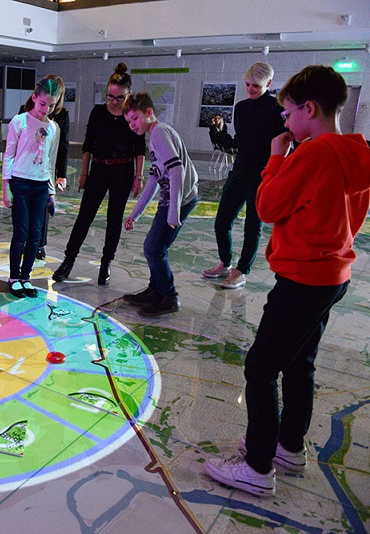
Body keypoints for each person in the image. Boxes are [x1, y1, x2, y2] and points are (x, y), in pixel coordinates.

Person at [205, 65, 370, 498]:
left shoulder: (313, 154)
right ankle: (289, 446)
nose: (285, 121)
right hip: (333, 274)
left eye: (288, 112)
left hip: (302, 278)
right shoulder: (358, 150)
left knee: (261, 367)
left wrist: (276, 158)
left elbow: (267, 207)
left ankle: (258, 467)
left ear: (309, 109)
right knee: (300, 362)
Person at [52, 63, 146, 285]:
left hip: (123, 172)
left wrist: (139, 177)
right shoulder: (98, 113)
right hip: (99, 169)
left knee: (114, 219)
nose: (114, 101)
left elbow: (140, 149)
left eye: (119, 97)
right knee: (85, 216)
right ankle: (68, 260)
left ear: (129, 94)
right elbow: (88, 145)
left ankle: (106, 263)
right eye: (110, 96)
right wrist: (84, 173)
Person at [202, 62, 286, 289]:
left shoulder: (277, 109)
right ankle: (225, 263)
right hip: (239, 170)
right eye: (247, 84)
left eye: (255, 86)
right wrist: (218, 131)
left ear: (268, 83)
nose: (250, 89)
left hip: (262, 174)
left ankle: (241, 271)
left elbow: (284, 143)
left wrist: (275, 174)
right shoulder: (241, 107)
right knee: (221, 222)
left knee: (252, 226)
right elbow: (238, 142)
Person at [121, 93, 198, 317]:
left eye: (134, 118)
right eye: (129, 121)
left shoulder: (160, 133)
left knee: (154, 248)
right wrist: (135, 214)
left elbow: (176, 169)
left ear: (149, 113)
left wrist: (173, 211)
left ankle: (168, 297)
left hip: (178, 200)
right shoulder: (155, 137)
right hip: (171, 200)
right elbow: (154, 179)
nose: (132, 125)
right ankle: (155, 290)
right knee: (154, 247)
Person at [2, 75, 63, 298]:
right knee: (21, 232)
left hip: (40, 187)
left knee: (36, 235)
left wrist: (51, 192)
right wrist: (6, 187)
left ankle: (25, 277)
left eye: (51, 106)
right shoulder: (19, 122)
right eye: (42, 103)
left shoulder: (54, 128)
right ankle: (13, 277)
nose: (46, 109)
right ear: (34, 97)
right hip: (20, 183)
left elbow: (50, 162)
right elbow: (9, 155)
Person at [18, 74, 69, 262]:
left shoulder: (62, 115)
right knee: (24, 209)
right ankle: (24, 241)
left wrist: (61, 174)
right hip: (25, 169)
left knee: (43, 208)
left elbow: (62, 146)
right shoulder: (25, 110)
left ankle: (39, 244)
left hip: (45, 169)